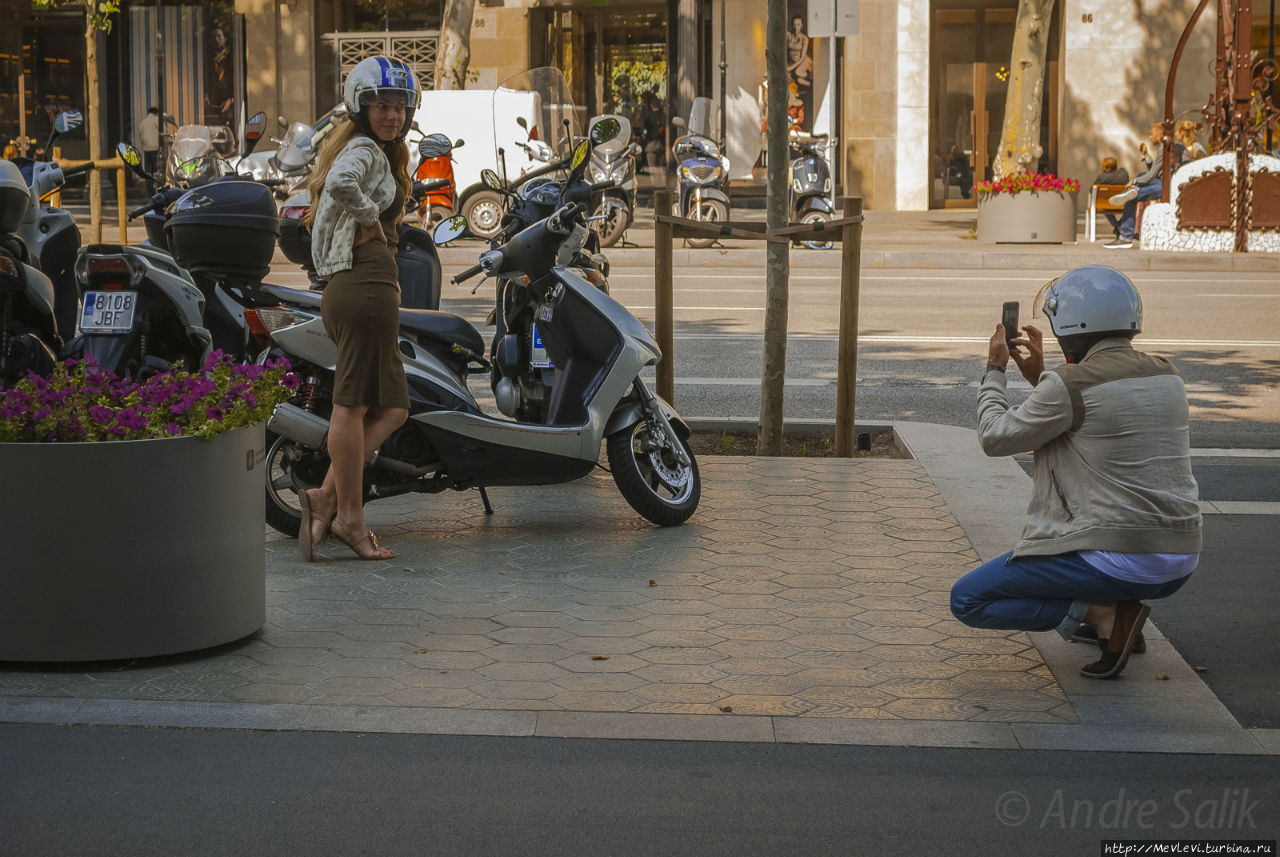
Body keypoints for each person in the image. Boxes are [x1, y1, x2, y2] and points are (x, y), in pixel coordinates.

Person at [949, 266, 1202, 679]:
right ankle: (1120, 621)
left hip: (1118, 559)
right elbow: (1093, 418)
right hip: (1180, 558)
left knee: (968, 600)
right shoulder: (1166, 373)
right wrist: (1043, 379)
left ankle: (1105, 615)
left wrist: (995, 370)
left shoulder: (1068, 385)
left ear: (1069, 325)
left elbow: (994, 437)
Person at [299, 56, 420, 562]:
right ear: (361, 107)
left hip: (367, 284)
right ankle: (350, 517)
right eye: (381, 105)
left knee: (393, 407)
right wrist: (372, 219)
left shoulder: (374, 150)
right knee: (350, 403)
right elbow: (344, 185)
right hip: (363, 282)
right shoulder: (365, 149)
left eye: (399, 106)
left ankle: (326, 496)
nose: (391, 115)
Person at [1105, 123, 1186, 249]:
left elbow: (1152, 175)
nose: (1149, 137)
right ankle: (1134, 191)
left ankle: (1125, 237)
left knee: (1132, 195)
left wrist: (1134, 181)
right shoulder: (1177, 147)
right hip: (1168, 183)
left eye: (1152, 134)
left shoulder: (1164, 148)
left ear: (1160, 135)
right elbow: (1158, 170)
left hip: (1167, 186)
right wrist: (1147, 156)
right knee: (1136, 187)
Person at [1093, 156, 1129, 239]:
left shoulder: (1102, 177)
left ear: (1108, 169)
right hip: (1122, 204)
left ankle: (1117, 225)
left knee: (1103, 204)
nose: (1102, 169)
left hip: (1107, 204)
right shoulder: (1124, 174)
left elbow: (1092, 189)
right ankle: (1119, 225)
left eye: (1103, 167)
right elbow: (1120, 170)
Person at [138, 107, 161, 191]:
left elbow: (140, 135)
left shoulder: (143, 122)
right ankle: (158, 188)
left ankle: (149, 189)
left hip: (146, 148)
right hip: (155, 147)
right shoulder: (157, 120)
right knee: (157, 169)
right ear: (156, 113)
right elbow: (163, 132)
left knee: (148, 170)